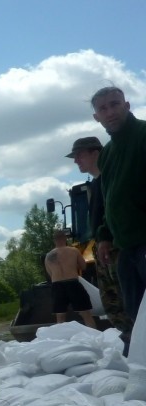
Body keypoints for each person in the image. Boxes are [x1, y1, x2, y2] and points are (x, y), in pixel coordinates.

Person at [66, 136, 132, 346]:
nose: (76, 160)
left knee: (125, 296)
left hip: (117, 247)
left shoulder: (111, 179)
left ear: (96, 152)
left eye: (79, 155)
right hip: (103, 248)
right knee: (113, 300)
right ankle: (130, 337)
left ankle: (136, 337)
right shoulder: (95, 184)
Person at [91, 87, 146, 329]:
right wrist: (104, 235)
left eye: (115, 104)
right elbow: (110, 199)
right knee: (136, 312)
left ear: (127, 105)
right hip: (125, 246)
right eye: (103, 108)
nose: (110, 112)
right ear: (97, 117)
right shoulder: (108, 154)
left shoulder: (143, 135)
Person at [44, 230, 95, 327]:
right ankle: (95, 337)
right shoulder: (73, 250)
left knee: (60, 317)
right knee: (86, 314)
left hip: (57, 285)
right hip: (72, 283)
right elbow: (83, 266)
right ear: (65, 238)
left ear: (54, 240)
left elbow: (50, 273)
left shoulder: (48, 256)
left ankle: (60, 339)